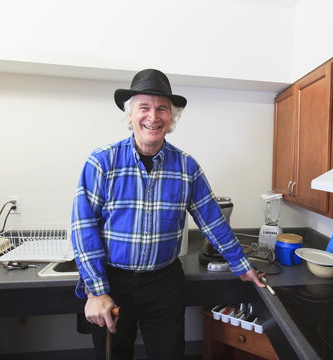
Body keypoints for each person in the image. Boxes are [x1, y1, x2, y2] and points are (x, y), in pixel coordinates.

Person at [71, 68, 265, 360]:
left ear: (171, 119)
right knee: (113, 355)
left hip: (164, 284)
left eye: (162, 108)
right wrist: (96, 291)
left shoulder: (187, 166)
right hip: (114, 281)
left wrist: (241, 264)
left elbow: (211, 220)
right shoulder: (102, 162)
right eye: (144, 107)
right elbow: (83, 227)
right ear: (129, 115)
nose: (153, 116)